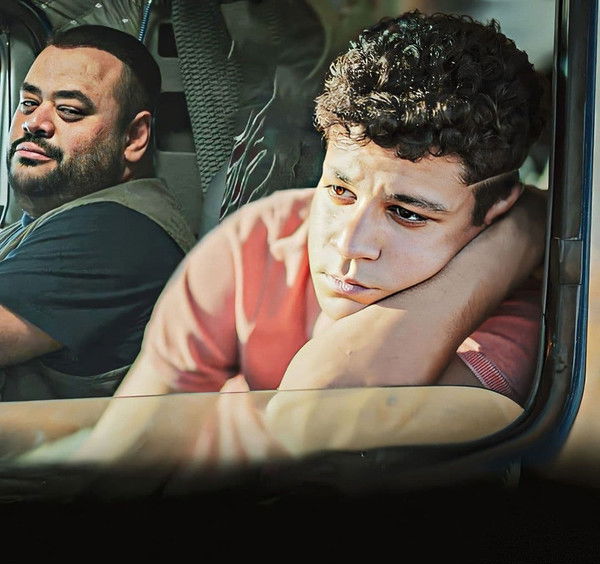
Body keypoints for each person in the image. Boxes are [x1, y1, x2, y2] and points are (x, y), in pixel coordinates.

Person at [117, 11, 548, 408]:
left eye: (408, 214)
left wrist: (514, 241)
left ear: (495, 211)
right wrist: (528, 226)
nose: (348, 243)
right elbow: (129, 441)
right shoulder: (257, 240)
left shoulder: (524, 318)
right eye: (340, 191)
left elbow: (319, 410)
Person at [1, 25, 195, 401]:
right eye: (29, 103)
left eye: (69, 111)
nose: (34, 123)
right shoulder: (52, 219)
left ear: (134, 137)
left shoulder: (118, 233)